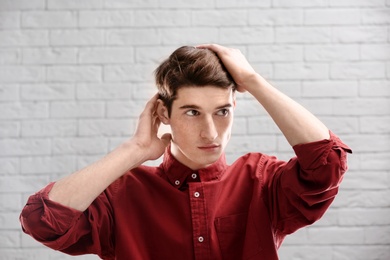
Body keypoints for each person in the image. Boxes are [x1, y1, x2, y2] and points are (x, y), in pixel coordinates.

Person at [20, 44, 352, 260]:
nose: (210, 133)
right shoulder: (123, 194)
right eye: (192, 113)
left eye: (222, 111)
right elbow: (42, 222)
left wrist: (252, 80)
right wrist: (133, 149)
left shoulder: (261, 180)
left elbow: (328, 163)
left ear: (235, 106)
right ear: (163, 114)